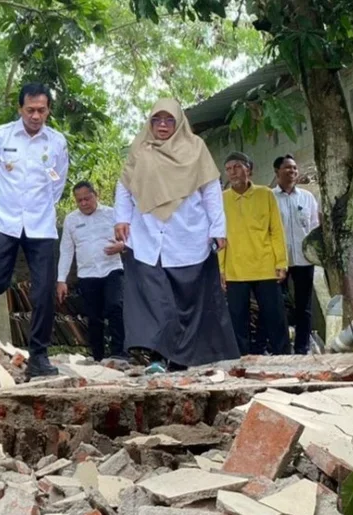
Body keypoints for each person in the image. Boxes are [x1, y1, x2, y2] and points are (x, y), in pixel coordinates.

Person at [114, 98, 239, 372]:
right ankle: (157, 356)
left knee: (189, 303)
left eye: (169, 120)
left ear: (179, 122)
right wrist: (121, 218)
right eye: (157, 120)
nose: (162, 125)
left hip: (188, 235)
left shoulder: (196, 148)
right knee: (154, 301)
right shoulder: (141, 149)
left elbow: (211, 190)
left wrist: (218, 228)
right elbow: (124, 186)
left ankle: (182, 359)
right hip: (148, 236)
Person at [0, 83, 69, 378]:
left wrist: (38, 207)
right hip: (5, 221)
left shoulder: (57, 142)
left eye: (41, 110)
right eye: (30, 110)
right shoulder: (0, 136)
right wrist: (8, 206)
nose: (36, 116)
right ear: (20, 108)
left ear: (48, 110)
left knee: (44, 292)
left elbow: (58, 183)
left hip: (41, 225)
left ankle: (39, 356)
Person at [219, 151, 290, 356]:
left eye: (237, 167)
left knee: (275, 317)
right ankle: (240, 361)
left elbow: (276, 230)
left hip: (265, 266)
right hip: (235, 269)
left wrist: (281, 262)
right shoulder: (221, 199)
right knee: (237, 320)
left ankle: (285, 358)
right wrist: (221, 269)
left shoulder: (265, 194)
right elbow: (219, 236)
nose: (233, 172)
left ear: (248, 169)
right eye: (229, 169)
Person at [57, 181, 125, 361]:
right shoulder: (71, 220)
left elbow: (129, 237)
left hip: (112, 268)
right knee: (93, 316)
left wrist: (122, 246)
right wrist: (61, 279)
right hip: (87, 273)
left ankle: (119, 353)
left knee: (115, 307)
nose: (84, 203)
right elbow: (66, 250)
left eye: (87, 198)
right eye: (79, 200)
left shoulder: (112, 214)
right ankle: (98, 357)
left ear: (96, 195)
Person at [272, 154, 319, 354]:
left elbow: (314, 226)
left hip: (303, 259)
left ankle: (302, 347)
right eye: (287, 168)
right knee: (278, 305)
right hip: (278, 261)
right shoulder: (270, 198)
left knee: (304, 306)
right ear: (277, 172)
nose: (292, 171)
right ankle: (281, 348)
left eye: (294, 168)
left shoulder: (307, 197)